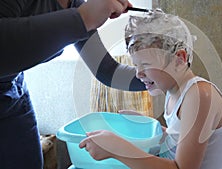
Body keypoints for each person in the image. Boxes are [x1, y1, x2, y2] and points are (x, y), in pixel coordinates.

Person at [79, 9, 222, 169]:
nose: (138, 73)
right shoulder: (174, 93)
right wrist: (151, 126)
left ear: (179, 59)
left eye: (145, 65)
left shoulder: (200, 96)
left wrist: (117, 149)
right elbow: (178, 139)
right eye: (136, 65)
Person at [0, 0, 145, 169]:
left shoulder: (74, 4)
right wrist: (83, 18)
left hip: (12, 92)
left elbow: (107, 70)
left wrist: (160, 75)